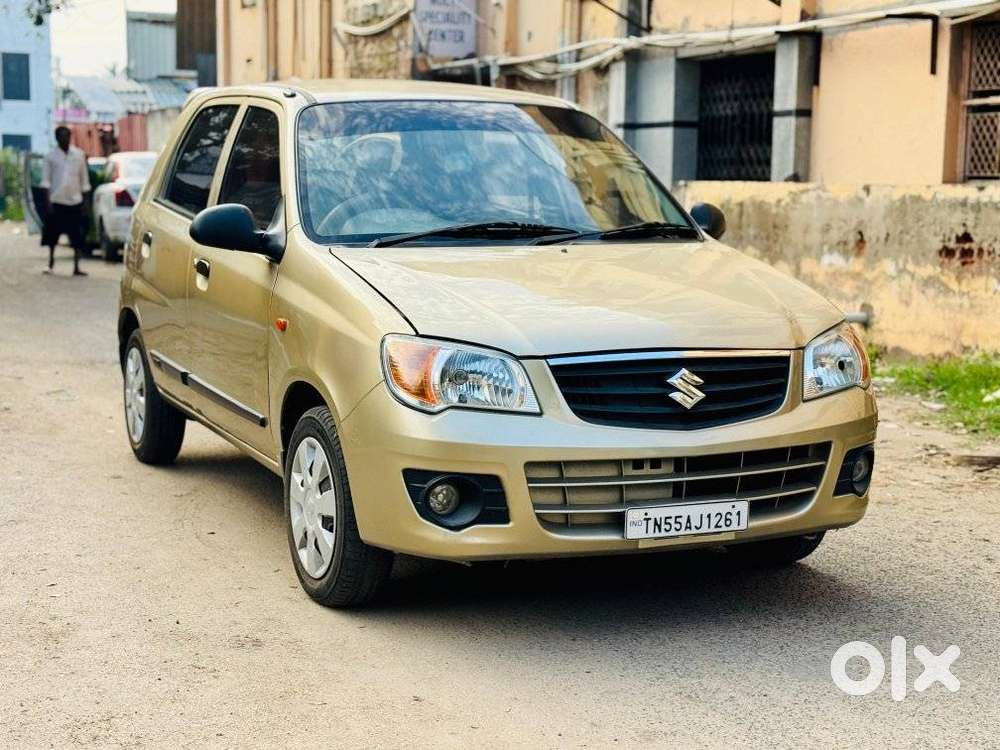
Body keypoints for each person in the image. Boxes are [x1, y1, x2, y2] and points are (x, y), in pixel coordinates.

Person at [40, 125, 91, 276]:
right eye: (61, 136)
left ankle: (76, 266)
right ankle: (50, 263)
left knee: (77, 236)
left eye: (67, 136)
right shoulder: (50, 157)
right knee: (52, 236)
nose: (65, 139)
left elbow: (85, 181)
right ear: (57, 138)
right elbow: (45, 182)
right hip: (57, 201)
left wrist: (85, 203)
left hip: (75, 201)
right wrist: (48, 203)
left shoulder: (79, 155)